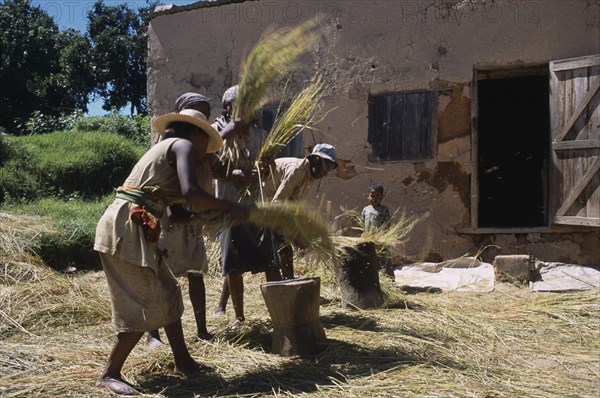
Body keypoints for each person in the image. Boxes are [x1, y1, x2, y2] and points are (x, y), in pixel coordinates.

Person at [93, 106, 248, 396]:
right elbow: (191, 193)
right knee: (145, 302)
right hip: (126, 228)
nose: (205, 150)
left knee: (168, 292)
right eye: (206, 142)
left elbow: (177, 214)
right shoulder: (183, 145)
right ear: (194, 133)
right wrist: (231, 207)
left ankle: (183, 361)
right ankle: (109, 374)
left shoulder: (170, 149)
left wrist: (210, 217)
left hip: (134, 225)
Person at [146, 93, 222, 346]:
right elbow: (162, 184)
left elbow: (216, 168)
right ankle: (153, 333)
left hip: (192, 217)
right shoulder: (170, 142)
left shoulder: (202, 147)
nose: (206, 120)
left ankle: (201, 329)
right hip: (171, 214)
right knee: (161, 277)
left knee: (196, 273)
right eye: (199, 113)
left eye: (207, 115)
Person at [212, 85, 281, 326]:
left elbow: (268, 167)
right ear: (228, 107)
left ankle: (280, 313)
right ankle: (239, 317)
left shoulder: (259, 135)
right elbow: (208, 164)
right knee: (234, 265)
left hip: (256, 206)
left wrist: (265, 167)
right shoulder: (216, 132)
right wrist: (237, 174)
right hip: (230, 206)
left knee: (270, 260)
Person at [264, 143, 338, 279]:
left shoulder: (310, 176)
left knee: (284, 248)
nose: (326, 172)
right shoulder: (296, 170)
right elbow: (278, 202)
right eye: (326, 166)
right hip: (264, 203)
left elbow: (294, 205)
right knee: (274, 247)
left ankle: (288, 282)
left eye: (330, 168)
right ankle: (277, 286)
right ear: (316, 159)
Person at [360, 182, 392, 275]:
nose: (374, 198)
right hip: (368, 239)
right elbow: (362, 223)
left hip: (380, 240)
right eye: (372, 196)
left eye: (378, 196)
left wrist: (384, 236)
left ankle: (388, 278)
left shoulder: (384, 210)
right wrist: (363, 234)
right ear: (367, 196)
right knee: (370, 259)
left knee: (383, 259)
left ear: (382, 197)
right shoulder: (365, 210)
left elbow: (387, 224)